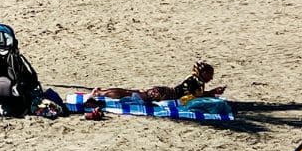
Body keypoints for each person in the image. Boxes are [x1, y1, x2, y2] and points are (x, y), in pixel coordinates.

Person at [89, 61, 225, 102]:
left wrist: (212, 92)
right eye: (210, 75)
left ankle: (101, 92)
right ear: (204, 73)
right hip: (165, 95)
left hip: (165, 92)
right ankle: (101, 93)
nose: (211, 78)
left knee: (132, 93)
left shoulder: (196, 81)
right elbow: (194, 97)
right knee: (131, 95)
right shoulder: (195, 81)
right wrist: (212, 93)